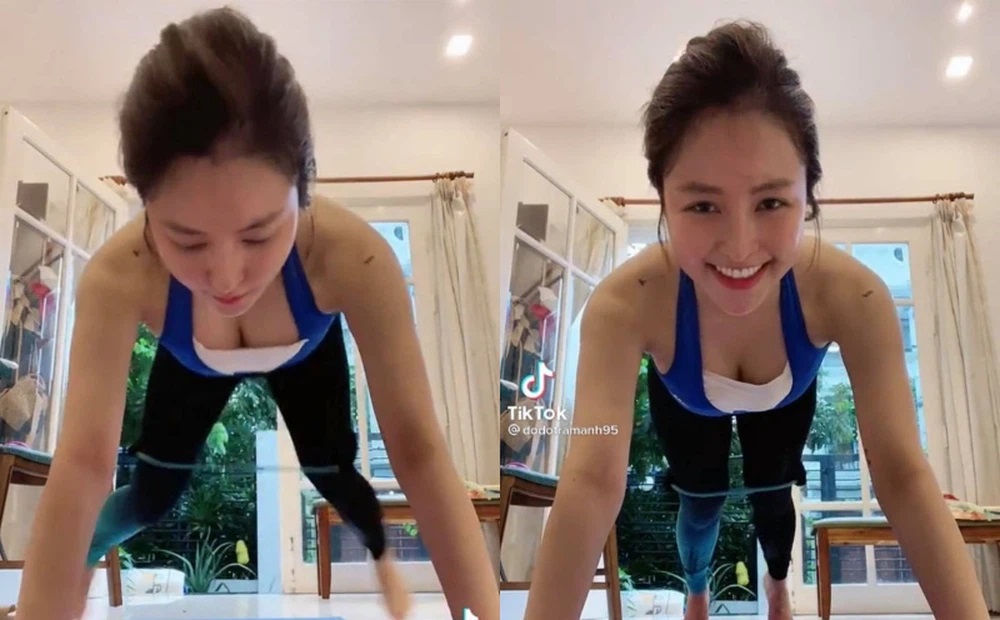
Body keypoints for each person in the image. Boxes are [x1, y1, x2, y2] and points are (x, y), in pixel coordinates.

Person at [14, 8, 498, 620]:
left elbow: (420, 452)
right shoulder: (120, 275)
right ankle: (88, 556)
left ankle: (383, 561)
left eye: (259, 234)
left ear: (303, 190)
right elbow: (83, 465)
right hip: (190, 363)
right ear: (144, 207)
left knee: (335, 473)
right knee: (149, 498)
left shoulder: (353, 259)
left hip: (307, 351)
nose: (227, 278)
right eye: (187, 241)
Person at [521, 20, 990, 620]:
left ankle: (776, 584)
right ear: (663, 200)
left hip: (786, 393)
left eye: (770, 202)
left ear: (808, 194)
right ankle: (697, 590)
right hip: (685, 397)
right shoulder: (625, 304)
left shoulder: (853, 295)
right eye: (702, 205)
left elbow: (902, 474)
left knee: (773, 493)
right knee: (701, 502)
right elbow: (590, 482)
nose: (740, 247)